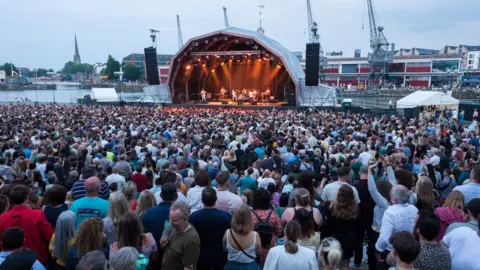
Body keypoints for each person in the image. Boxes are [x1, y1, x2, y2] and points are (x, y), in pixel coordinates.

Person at [0, 185, 53, 265]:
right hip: (36, 259)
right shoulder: (37, 215)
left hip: (9, 261)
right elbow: (49, 236)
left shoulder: (2, 218)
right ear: (27, 197)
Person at [375, 185, 418, 268]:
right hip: (410, 250)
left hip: (393, 251)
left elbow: (384, 238)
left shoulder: (390, 212)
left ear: (395, 200)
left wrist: (378, 250)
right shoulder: (414, 209)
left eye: (391, 195)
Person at [189, 187, 232, 270]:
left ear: (201, 200)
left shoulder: (194, 217)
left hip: (201, 256)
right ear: (216, 199)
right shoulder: (226, 217)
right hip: (220, 256)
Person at [321, 184, 358, 269]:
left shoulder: (330, 206)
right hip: (347, 241)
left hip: (333, 241)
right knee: (345, 265)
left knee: (329, 264)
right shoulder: (355, 209)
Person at [160, 201, 200, 270]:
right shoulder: (174, 228)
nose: (170, 222)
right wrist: (163, 245)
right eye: (170, 218)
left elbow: (188, 268)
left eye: (174, 220)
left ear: (186, 219)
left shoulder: (191, 240)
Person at [250, 188, 283, 266]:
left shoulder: (250, 215)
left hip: (253, 249)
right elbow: (279, 232)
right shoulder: (273, 214)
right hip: (270, 249)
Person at [223, 205, 262, 269]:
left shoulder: (228, 233)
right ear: (249, 219)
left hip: (231, 267)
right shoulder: (255, 235)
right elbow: (258, 252)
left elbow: (225, 249)